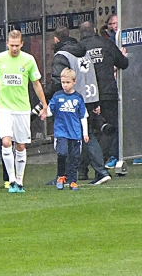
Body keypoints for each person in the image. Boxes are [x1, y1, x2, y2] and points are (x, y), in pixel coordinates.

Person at [0, 30, 47, 194]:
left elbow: (36, 84)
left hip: (22, 108)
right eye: (12, 45)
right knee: (6, 142)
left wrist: (44, 105)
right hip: (4, 108)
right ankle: (11, 181)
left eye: (17, 45)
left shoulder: (28, 60)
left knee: (21, 145)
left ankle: (19, 180)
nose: (14, 48)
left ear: (22, 44)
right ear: (7, 44)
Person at [78, 20, 129, 166]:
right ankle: (100, 165)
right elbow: (123, 64)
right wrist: (122, 56)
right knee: (109, 129)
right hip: (108, 93)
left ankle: (83, 169)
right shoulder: (106, 43)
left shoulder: (79, 48)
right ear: (94, 29)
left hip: (87, 96)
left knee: (87, 132)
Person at [48, 68, 88, 191]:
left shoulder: (78, 98)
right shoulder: (57, 96)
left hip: (75, 133)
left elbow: (83, 116)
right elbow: (50, 110)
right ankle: (61, 176)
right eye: (63, 82)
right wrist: (44, 111)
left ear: (74, 82)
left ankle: (73, 181)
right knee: (62, 153)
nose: (65, 85)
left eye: (67, 82)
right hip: (61, 132)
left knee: (74, 157)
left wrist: (85, 133)